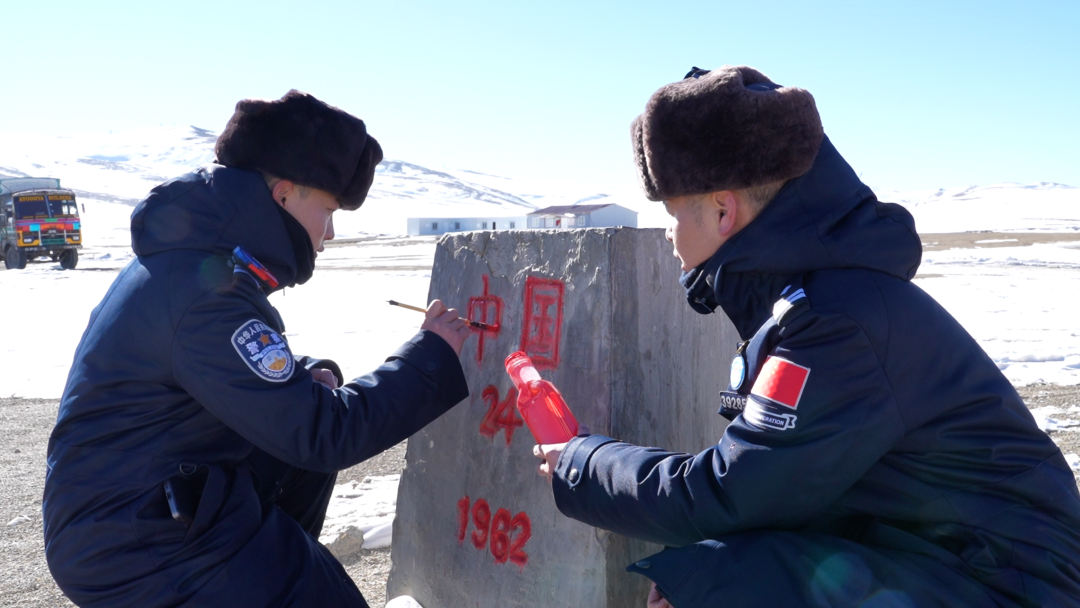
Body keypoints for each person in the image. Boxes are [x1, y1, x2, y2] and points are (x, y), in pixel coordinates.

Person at [534, 66, 1080, 607]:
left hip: (1013, 585)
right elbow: (781, 485)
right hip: (948, 558)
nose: (669, 236)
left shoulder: (837, 322)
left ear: (723, 209)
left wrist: (582, 462)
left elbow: (730, 493)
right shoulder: (815, 297)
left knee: (718, 585)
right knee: (711, 576)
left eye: (673, 215)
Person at [43, 90, 472, 607]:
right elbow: (323, 433)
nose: (330, 233)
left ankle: (267, 563)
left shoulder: (198, 260)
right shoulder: (203, 293)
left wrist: (301, 377)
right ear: (284, 195)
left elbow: (214, 376)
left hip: (145, 500)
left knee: (298, 474)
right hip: (131, 537)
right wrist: (431, 356)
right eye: (328, 210)